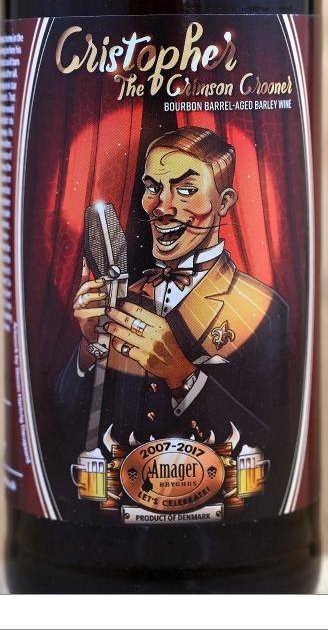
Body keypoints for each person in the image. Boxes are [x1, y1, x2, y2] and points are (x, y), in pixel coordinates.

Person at [54, 126, 291, 519]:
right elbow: (60, 422)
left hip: (231, 523)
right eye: (153, 187)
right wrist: (89, 347)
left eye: (186, 190)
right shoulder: (124, 298)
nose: (161, 206)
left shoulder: (262, 307)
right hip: (110, 516)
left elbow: (279, 443)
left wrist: (182, 374)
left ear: (224, 202)